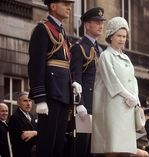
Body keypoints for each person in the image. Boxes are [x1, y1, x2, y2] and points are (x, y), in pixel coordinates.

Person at [28, 0, 81, 157]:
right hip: (50, 93)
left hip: (62, 92)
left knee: (59, 145)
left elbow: (65, 64)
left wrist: (72, 83)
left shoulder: (61, 31)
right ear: (53, 6)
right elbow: (36, 64)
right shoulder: (42, 29)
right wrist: (40, 98)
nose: (69, 8)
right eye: (65, 3)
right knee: (47, 144)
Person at [91, 16, 148, 157]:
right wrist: (128, 96)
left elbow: (133, 80)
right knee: (112, 147)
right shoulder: (105, 56)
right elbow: (112, 80)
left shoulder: (126, 58)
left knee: (126, 149)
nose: (122, 39)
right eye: (119, 36)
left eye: (124, 36)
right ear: (111, 36)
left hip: (127, 108)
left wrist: (136, 98)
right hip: (112, 107)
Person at [70, 7, 106, 157]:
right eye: (97, 22)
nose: (101, 25)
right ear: (87, 24)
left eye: (101, 22)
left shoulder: (100, 50)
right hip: (86, 105)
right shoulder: (79, 47)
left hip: (98, 104)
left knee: (95, 149)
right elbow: (75, 78)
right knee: (82, 147)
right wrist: (79, 104)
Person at [8, 92, 37, 157]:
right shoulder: (15, 117)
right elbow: (24, 137)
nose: (28, 103)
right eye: (25, 101)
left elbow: (37, 133)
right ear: (18, 103)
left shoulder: (32, 116)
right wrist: (36, 133)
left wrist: (34, 133)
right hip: (22, 153)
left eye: (30, 101)